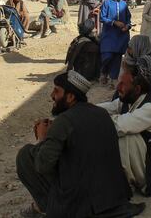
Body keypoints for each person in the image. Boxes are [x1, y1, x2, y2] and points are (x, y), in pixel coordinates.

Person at [15, 71, 143, 218]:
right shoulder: (101, 113)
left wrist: (43, 139)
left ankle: (45, 206)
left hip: (82, 206)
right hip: (113, 199)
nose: (52, 96)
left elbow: (42, 165)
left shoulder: (64, 122)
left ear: (70, 97)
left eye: (56, 91)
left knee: (25, 155)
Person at [97, 61, 151, 196]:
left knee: (126, 137)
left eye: (123, 84)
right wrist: (83, 111)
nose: (118, 87)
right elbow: (104, 108)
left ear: (138, 89)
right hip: (146, 166)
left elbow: (119, 126)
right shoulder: (127, 101)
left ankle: (125, 184)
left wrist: (91, 120)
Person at [99, 0, 132, 83]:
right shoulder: (107, 3)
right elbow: (102, 18)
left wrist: (127, 26)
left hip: (121, 36)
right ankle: (104, 72)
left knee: (117, 58)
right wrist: (114, 22)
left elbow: (129, 20)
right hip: (108, 35)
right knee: (107, 56)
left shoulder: (124, 4)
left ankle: (113, 79)